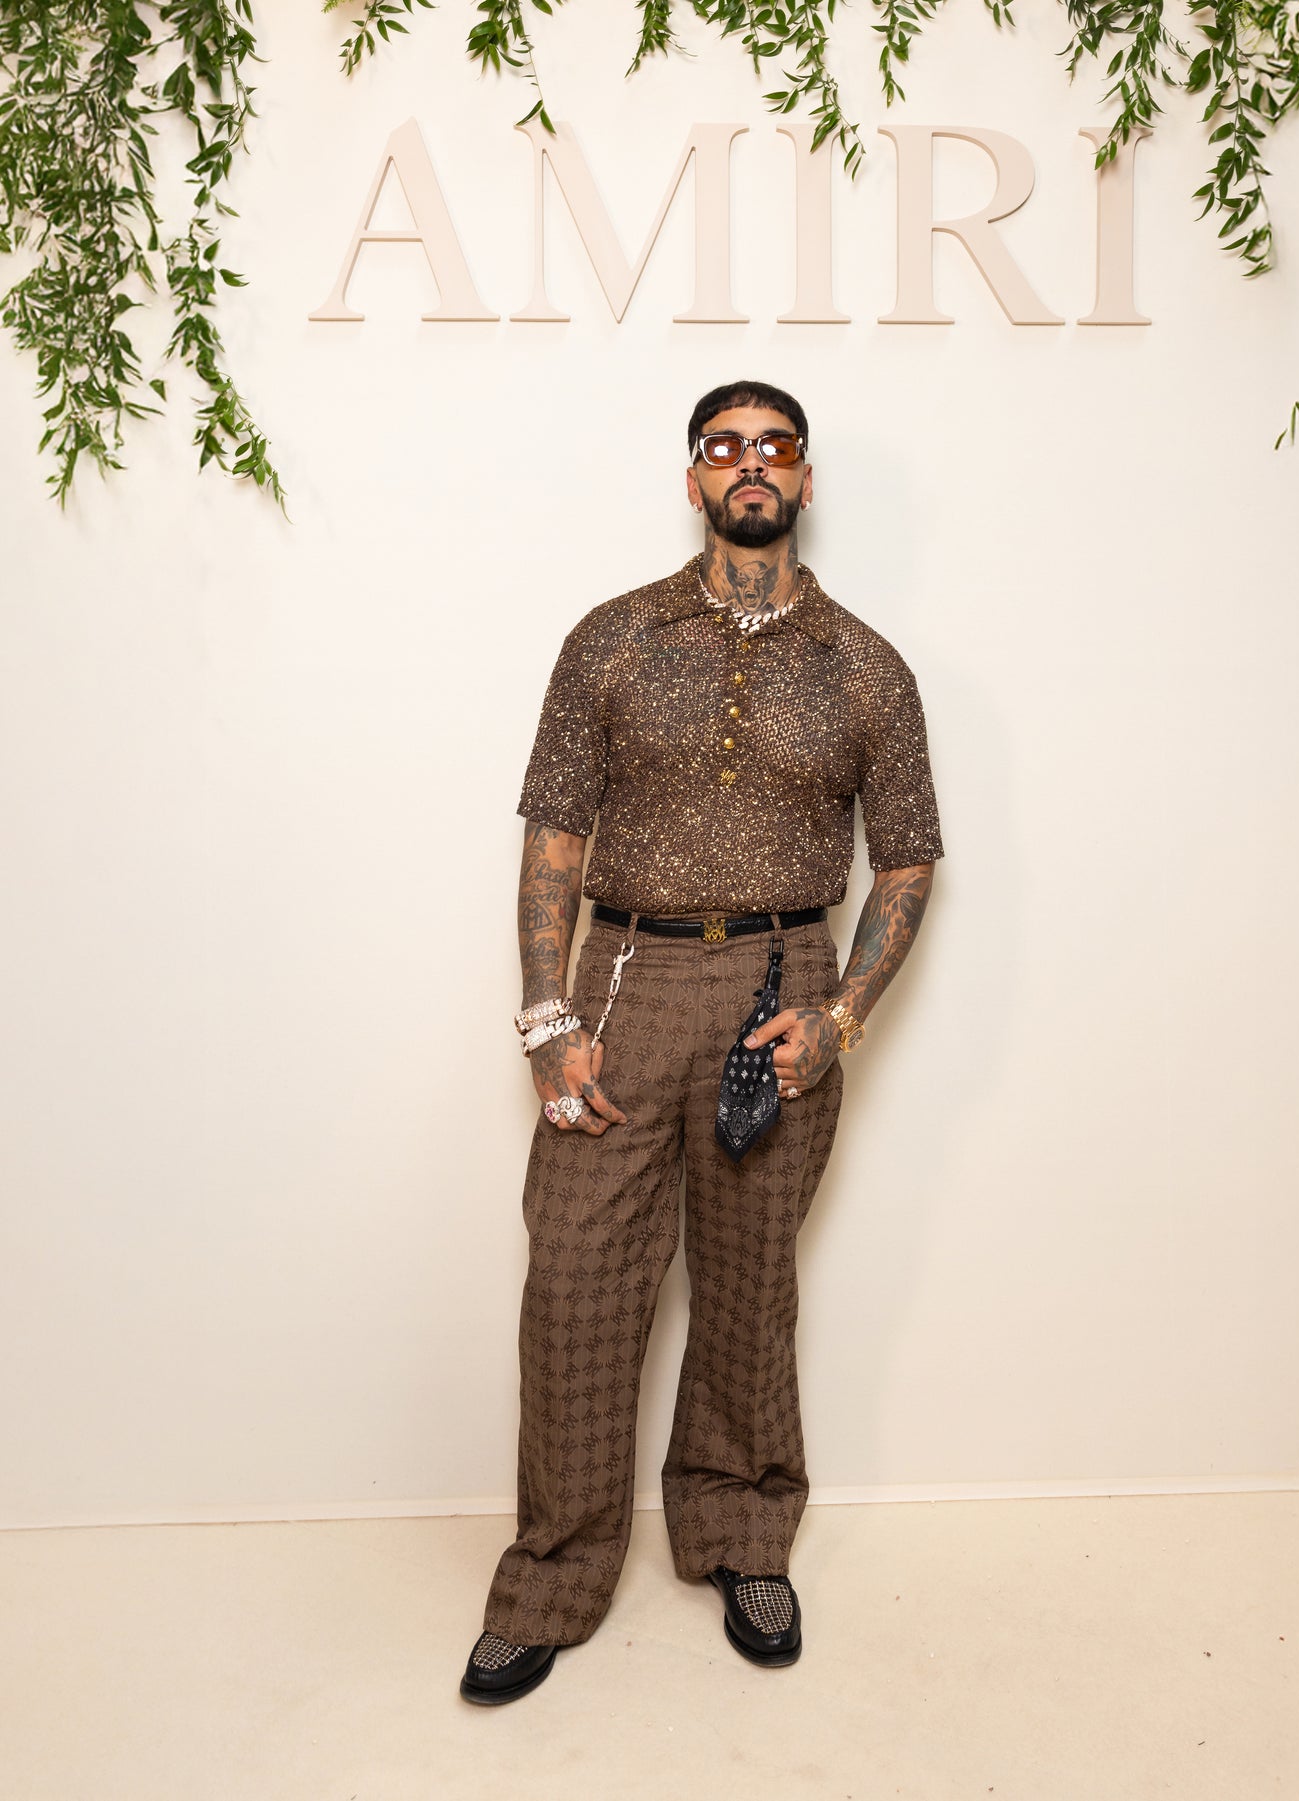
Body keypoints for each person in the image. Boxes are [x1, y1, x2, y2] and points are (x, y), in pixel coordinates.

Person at [459, 379, 944, 1705]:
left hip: (784, 985)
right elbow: (555, 838)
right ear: (694, 481)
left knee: (746, 1285)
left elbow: (907, 858)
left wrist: (840, 1016)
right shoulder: (611, 640)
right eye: (724, 447)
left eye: (774, 446)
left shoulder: (866, 666)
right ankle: (553, 1577)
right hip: (624, 978)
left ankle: (741, 1536)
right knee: (576, 1284)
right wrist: (546, 1015)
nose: (751, 464)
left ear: (805, 478)